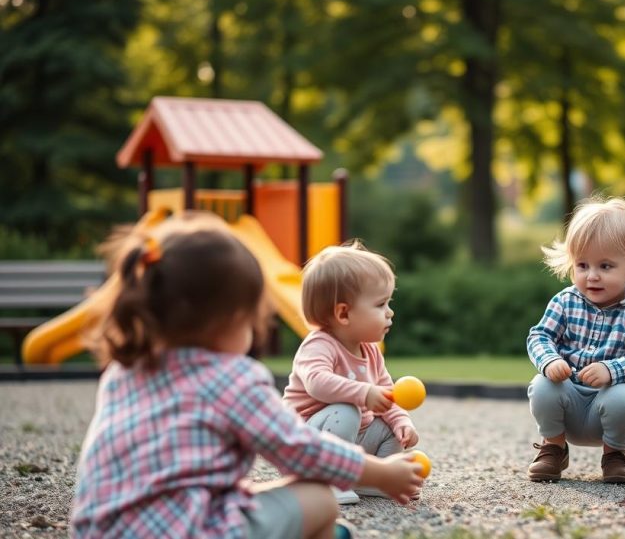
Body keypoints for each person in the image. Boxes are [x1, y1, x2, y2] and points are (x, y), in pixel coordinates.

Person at [71, 213, 423, 539]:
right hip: (188, 531)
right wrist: (380, 473)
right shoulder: (233, 378)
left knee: (243, 492)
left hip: (99, 530)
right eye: (251, 320)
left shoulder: (125, 370)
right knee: (320, 499)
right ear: (227, 319)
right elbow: (297, 448)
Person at [526, 196, 625, 484]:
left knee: (621, 397)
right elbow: (540, 335)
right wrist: (549, 360)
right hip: (569, 406)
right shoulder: (565, 301)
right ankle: (553, 447)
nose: (592, 276)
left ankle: (615, 454)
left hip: (611, 408)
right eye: (582, 265)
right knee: (542, 386)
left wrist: (611, 370)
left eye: (605, 266)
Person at [283, 241, 419, 505]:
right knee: (346, 409)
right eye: (380, 305)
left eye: (388, 302)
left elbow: (387, 395)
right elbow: (317, 383)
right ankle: (330, 481)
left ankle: (376, 479)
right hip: (309, 444)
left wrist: (402, 421)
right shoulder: (318, 345)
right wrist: (364, 393)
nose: (390, 312)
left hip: (352, 438)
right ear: (344, 313)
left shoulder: (370, 351)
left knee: (390, 428)